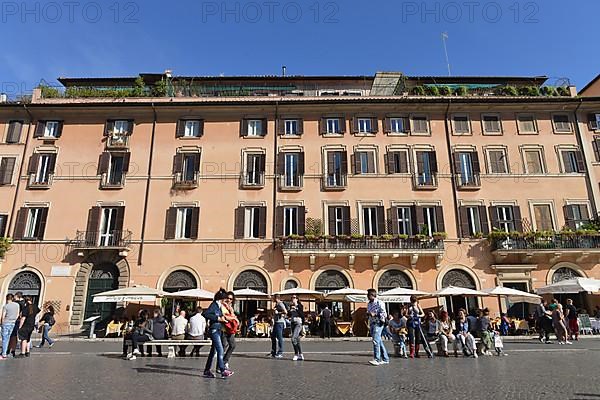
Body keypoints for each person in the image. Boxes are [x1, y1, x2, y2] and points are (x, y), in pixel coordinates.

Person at [203, 289, 234, 379]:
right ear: (221, 298)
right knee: (220, 350)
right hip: (214, 330)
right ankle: (222, 370)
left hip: (218, 330)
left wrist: (223, 319)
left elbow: (220, 316)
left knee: (213, 351)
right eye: (225, 298)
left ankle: (207, 370)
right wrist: (218, 318)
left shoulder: (219, 306)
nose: (226, 300)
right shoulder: (214, 305)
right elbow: (206, 314)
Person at [366, 288, 389, 366]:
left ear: (372, 295)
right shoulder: (369, 304)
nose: (367, 296)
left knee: (375, 341)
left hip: (378, 323)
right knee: (379, 341)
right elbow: (369, 312)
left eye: (368, 295)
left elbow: (384, 313)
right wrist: (368, 314)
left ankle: (377, 359)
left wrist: (375, 314)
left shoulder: (380, 303)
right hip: (372, 323)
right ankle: (385, 359)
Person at [221, 292, 239, 368]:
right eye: (228, 298)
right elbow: (225, 317)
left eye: (231, 299)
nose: (229, 300)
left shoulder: (230, 307)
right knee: (223, 346)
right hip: (224, 329)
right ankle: (220, 365)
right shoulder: (222, 306)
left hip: (230, 329)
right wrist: (234, 318)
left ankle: (224, 361)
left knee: (232, 345)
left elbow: (232, 316)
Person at [1, 294, 20, 359]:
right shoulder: (17, 305)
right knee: (9, 337)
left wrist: (2, 324)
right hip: (13, 323)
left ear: (6, 298)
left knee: (5, 339)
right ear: (12, 298)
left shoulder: (6, 306)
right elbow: (18, 314)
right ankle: (6, 351)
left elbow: (2, 317)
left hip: (6, 323)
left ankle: (4, 353)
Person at [270, 294, 287, 358]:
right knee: (273, 336)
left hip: (280, 323)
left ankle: (280, 352)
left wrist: (278, 313)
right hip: (276, 322)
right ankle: (273, 351)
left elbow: (285, 311)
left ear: (276, 298)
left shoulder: (280, 304)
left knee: (279, 337)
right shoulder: (277, 304)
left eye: (273, 298)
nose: (272, 299)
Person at [289, 295, 305, 361]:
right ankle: (301, 354)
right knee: (297, 340)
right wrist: (289, 312)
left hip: (298, 323)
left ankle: (296, 354)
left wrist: (296, 308)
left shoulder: (300, 306)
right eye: (292, 298)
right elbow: (289, 315)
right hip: (292, 323)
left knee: (293, 338)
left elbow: (302, 314)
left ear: (297, 299)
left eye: (294, 298)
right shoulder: (291, 306)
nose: (293, 299)